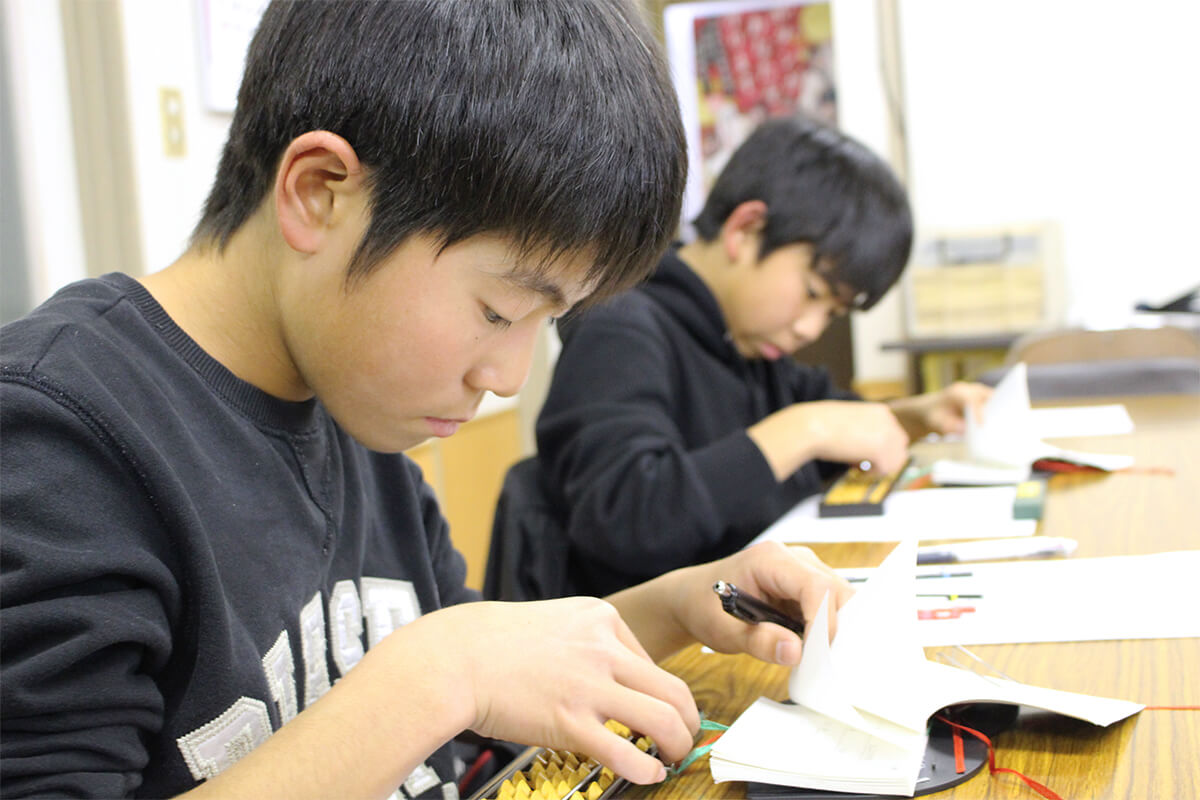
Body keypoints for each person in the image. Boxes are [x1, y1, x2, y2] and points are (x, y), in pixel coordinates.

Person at [0, 3, 855, 799]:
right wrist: (442, 674)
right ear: (320, 191)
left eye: (546, 321)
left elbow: (483, 680)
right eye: (498, 310)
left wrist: (679, 606)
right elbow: (451, 675)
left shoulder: (354, 395)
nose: (509, 376)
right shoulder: (52, 437)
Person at [532, 113, 992, 598]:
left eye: (831, 313)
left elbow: (836, 425)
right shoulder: (621, 326)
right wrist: (805, 429)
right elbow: (628, 518)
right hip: (650, 654)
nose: (810, 328)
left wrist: (918, 416)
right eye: (813, 293)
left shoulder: (745, 340)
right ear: (746, 229)